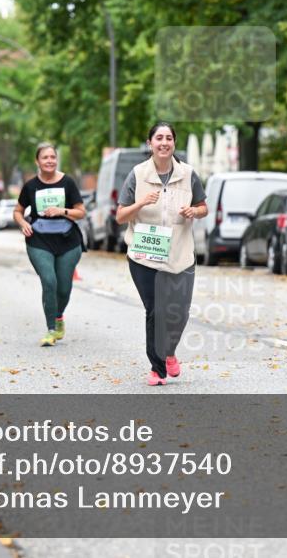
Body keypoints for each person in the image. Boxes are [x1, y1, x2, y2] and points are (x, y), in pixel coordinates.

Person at [115, 122, 208, 385]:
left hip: (180, 253)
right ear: (150, 143)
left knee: (179, 312)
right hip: (144, 253)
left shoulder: (188, 174)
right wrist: (141, 202)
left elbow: (204, 207)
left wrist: (194, 211)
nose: (164, 142)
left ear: (174, 143)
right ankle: (157, 368)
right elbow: (121, 216)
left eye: (169, 138)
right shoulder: (137, 174)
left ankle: (169, 352)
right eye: (159, 138)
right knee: (156, 309)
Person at [13, 144, 87, 346]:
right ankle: (51, 329)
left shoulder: (67, 183)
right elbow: (18, 211)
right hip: (39, 240)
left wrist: (62, 211)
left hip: (68, 241)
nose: (49, 161)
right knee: (49, 281)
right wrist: (23, 223)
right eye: (45, 157)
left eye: (52, 157)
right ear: (37, 161)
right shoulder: (30, 186)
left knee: (63, 288)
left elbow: (81, 212)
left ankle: (59, 316)